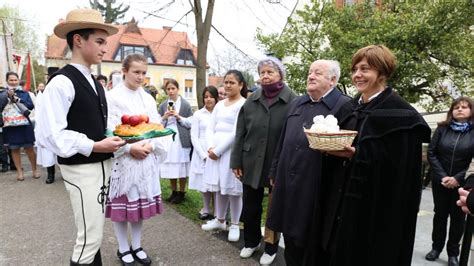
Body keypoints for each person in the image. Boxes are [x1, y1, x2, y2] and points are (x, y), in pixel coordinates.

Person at [309, 45, 431, 266]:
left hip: (374, 210)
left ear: (382, 72)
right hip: (338, 202)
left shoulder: (401, 116)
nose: (357, 75)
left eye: (365, 69)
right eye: (355, 69)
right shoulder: (350, 109)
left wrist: (357, 155)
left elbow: (400, 174)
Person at [35, 8, 124, 265]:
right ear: (78, 40)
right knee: (88, 240)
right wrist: (96, 145)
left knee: (93, 234)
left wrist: (117, 139)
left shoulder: (95, 83)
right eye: (99, 41)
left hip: (101, 166)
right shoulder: (61, 83)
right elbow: (51, 135)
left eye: (104, 42)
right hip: (82, 170)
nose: (105, 48)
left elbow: (96, 124)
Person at [265, 60, 350, 265]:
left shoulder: (344, 105)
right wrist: (275, 170)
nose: (310, 76)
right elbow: (283, 139)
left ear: (332, 80)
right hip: (287, 180)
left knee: (309, 241)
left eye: (317, 73)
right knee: (289, 235)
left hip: (316, 187)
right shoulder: (298, 102)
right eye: (310, 72)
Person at [231, 57, 296, 265]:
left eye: (270, 72)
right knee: (251, 205)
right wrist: (236, 161)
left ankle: (271, 247)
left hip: (276, 162)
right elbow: (240, 132)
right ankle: (251, 242)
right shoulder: (251, 99)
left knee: (274, 208)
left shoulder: (293, 100)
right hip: (250, 160)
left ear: (280, 75)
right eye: (262, 72)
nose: (265, 76)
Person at [105, 53, 167, 266]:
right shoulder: (112, 97)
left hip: (145, 159)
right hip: (124, 161)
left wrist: (151, 144)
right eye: (136, 72)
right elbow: (109, 128)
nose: (141, 77)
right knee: (123, 206)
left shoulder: (148, 98)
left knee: (139, 206)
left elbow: (156, 126)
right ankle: (123, 248)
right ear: (124, 71)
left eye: (143, 73)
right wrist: (129, 148)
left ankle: (137, 245)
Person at [425, 96, 474, 266]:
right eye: (456, 107)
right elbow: (432, 152)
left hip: (463, 183)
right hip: (441, 180)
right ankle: (436, 248)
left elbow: (472, 161)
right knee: (440, 215)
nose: (460, 109)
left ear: (471, 111)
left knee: (458, 218)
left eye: (464, 107)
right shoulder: (441, 129)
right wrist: (443, 176)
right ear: (451, 111)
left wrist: (457, 178)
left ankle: (453, 253)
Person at [201, 70, 247, 243]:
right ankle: (220, 220)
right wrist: (210, 146)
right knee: (220, 187)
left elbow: (237, 131)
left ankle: (235, 223)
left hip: (230, 151)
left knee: (233, 189)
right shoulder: (220, 104)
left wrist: (218, 150)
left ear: (241, 85)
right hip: (214, 150)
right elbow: (210, 127)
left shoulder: (243, 104)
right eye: (226, 82)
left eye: (232, 82)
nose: (227, 85)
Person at [158, 79, 193, 204]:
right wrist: (164, 117)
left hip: (181, 137)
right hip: (168, 137)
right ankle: (174, 191)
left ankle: (182, 192)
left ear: (178, 89)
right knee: (171, 164)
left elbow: (191, 122)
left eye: (173, 88)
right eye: (168, 89)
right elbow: (157, 124)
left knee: (181, 164)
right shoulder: (163, 105)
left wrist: (178, 116)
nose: (171, 91)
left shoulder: (185, 104)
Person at [1, 72, 39, 181]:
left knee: (29, 148)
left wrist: (18, 99)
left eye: (15, 80)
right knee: (14, 149)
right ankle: (19, 172)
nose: (13, 82)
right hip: (9, 125)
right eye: (11, 80)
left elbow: (30, 106)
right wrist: (6, 97)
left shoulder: (24, 93)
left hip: (25, 124)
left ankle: (35, 169)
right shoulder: (2, 93)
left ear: (18, 80)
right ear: (7, 81)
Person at [189, 86, 219, 220]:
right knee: (204, 183)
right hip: (201, 152)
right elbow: (194, 136)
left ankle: (218, 211)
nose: (208, 99)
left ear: (216, 98)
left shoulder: (220, 113)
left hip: (217, 151)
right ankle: (206, 208)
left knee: (216, 183)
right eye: (206, 97)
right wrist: (202, 155)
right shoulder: (198, 114)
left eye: (211, 96)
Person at [34, 81, 57, 184]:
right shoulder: (40, 97)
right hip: (45, 126)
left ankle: (66, 173)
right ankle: (50, 174)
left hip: (58, 126)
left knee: (62, 152)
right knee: (48, 152)